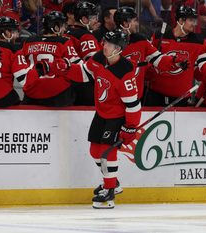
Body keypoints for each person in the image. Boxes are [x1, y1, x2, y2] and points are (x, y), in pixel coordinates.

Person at [49, 29, 141, 208]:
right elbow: (84, 72)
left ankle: (109, 192)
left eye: (108, 44)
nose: (104, 45)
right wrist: (67, 69)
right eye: (105, 42)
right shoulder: (99, 58)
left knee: (107, 151)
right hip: (101, 112)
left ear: (118, 49)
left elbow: (133, 104)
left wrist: (130, 127)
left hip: (117, 116)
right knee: (94, 151)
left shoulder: (125, 72)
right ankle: (113, 183)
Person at [146, 5, 206, 106]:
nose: (194, 24)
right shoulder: (160, 36)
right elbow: (148, 56)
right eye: (191, 20)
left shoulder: (199, 41)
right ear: (180, 21)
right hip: (155, 94)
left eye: (194, 20)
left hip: (180, 98)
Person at [113, 6, 189, 102]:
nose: (137, 24)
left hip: (135, 98)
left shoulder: (140, 40)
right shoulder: (110, 41)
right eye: (134, 21)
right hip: (114, 99)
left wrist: (174, 62)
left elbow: (158, 58)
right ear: (125, 23)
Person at [20, 11, 81, 106]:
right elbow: (78, 66)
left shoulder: (28, 41)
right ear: (56, 27)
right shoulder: (64, 42)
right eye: (63, 25)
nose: (65, 29)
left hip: (32, 92)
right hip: (58, 92)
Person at [65, 1, 101, 106]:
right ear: (84, 19)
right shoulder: (86, 36)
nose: (96, 20)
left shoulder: (64, 32)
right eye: (94, 17)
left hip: (66, 84)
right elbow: (94, 64)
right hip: (83, 86)